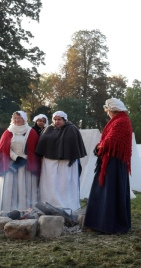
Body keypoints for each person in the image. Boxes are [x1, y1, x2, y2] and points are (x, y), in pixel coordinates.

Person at [84, 98, 133, 234]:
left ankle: (108, 224)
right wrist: (100, 147)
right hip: (111, 161)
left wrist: (100, 147)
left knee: (110, 192)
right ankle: (101, 223)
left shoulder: (121, 121)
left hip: (113, 163)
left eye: (108, 111)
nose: (107, 113)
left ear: (112, 109)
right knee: (107, 191)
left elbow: (110, 141)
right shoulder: (120, 120)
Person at [35, 111, 87, 211]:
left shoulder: (72, 129)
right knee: (49, 183)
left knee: (64, 184)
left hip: (66, 163)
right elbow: (42, 144)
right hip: (49, 163)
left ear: (64, 119)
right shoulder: (48, 129)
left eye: (59, 119)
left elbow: (73, 146)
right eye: (55, 119)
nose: (57, 121)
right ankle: (48, 203)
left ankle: (66, 205)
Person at [0, 111, 41, 215]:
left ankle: (26, 211)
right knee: (10, 187)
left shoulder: (31, 132)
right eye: (15, 118)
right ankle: (6, 211)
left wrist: (25, 158)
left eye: (19, 118)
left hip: (26, 165)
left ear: (24, 119)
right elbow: (4, 148)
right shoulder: (8, 132)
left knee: (26, 187)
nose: (16, 120)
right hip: (11, 164)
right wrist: (16, 157)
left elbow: (34, 149)